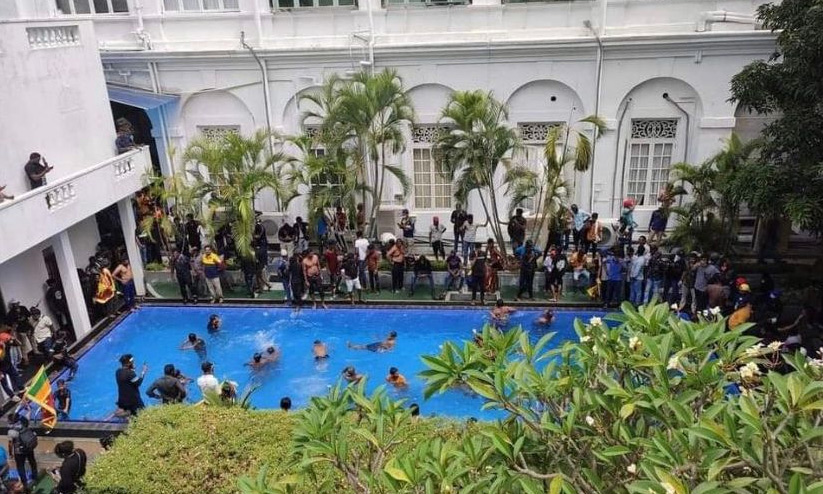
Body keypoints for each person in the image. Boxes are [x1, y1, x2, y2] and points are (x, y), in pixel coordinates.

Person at [7, 413, 37, 486]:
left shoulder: (11, 431)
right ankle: (35, 477)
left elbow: (10, 444)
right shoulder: (24, 424)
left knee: (20, 467)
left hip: (19, 452)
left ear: (10, 421)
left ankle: (24, 483)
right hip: (29, 447)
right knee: (32, 462)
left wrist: (10, 454)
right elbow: (26, 419)